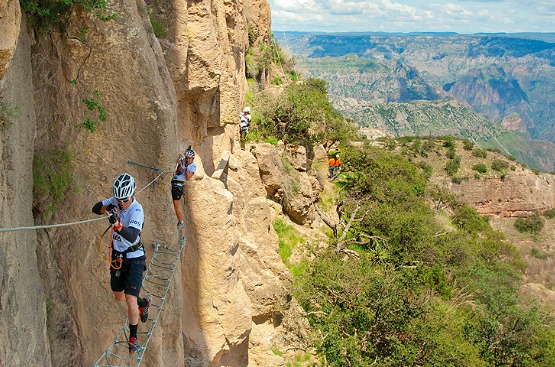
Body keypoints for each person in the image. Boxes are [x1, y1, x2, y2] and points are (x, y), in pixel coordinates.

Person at [91, 173, 150, 354]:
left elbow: (132, 235)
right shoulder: (116, 201)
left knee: (129, 298)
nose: (122, 203)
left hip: (134, 257)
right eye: (119, 199)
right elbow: (95, 208)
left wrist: (117, 224)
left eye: (124, 200)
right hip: (117, 257)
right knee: (119, 296)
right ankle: (143, 303)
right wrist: (108, 208)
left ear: (132, 194)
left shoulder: (137, 210)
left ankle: (133, 338)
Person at [172, 146, 197, 229]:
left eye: (189, 158)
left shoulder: (193, 167)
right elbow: (177, 171)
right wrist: (180, 164)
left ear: (192, 159)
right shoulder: (183, 161)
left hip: (179, 187)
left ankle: (181, 221)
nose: (188, 160)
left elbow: (187, 178)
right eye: (187, 158)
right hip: (173, 182)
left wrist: (186, 168)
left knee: (176, 206)